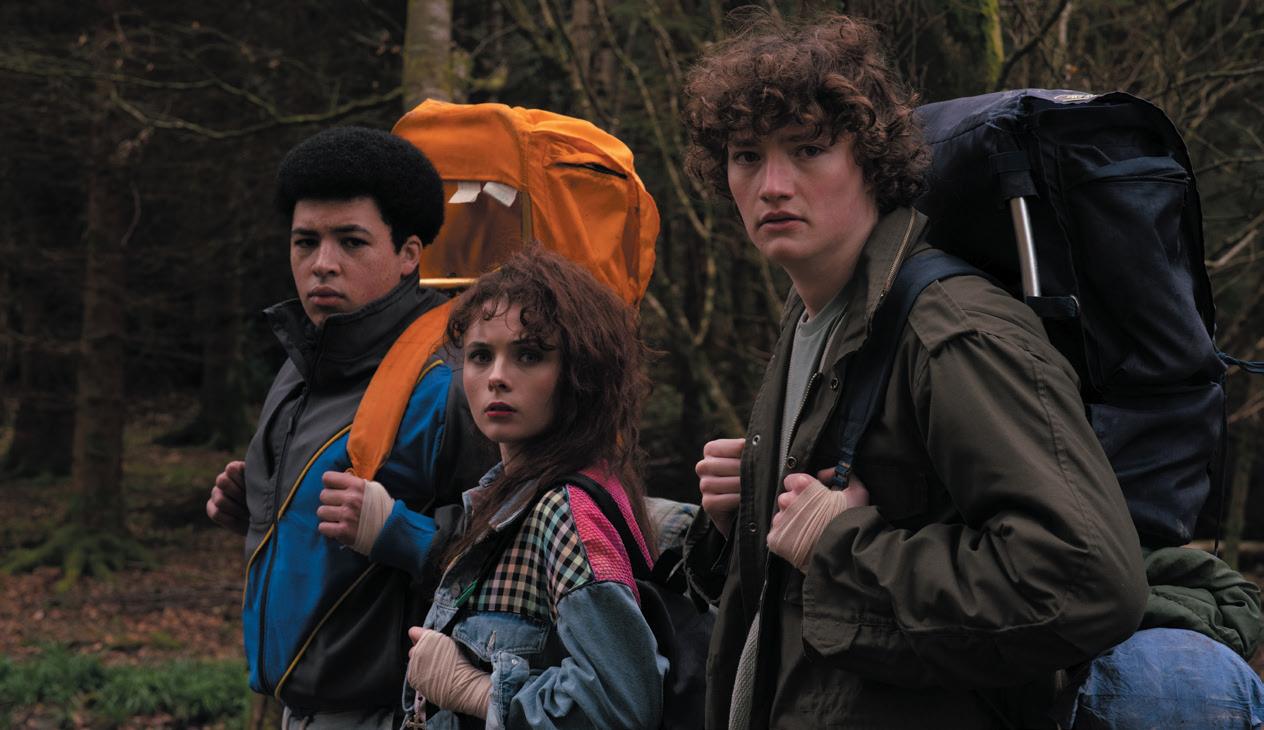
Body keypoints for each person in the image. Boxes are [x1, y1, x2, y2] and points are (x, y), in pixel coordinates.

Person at [679, 13, 1148, 729]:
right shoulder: (812, 317)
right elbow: (804, 596)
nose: (772, 184)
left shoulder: (953, 331)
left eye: (808, 149)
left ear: (870, 160)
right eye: (747, 156)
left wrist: (842, 546)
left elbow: (1089, 583)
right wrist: (742, 523)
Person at [205, 126, 495, 727]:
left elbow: (510, 553)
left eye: (351, 242)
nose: (322, 265)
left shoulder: (451, 382)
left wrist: (398, 533)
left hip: (402, 712)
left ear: (409, 254)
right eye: (305, 242)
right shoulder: (301, 363)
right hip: (296, 707)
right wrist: (263, 507)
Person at [402, 248, 667, 729]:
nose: (497, 378)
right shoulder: (509, 496)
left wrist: (477, 691)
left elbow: (620, 703)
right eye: (480, 356)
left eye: (528, 355)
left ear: (581, 373)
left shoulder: (563, 511)